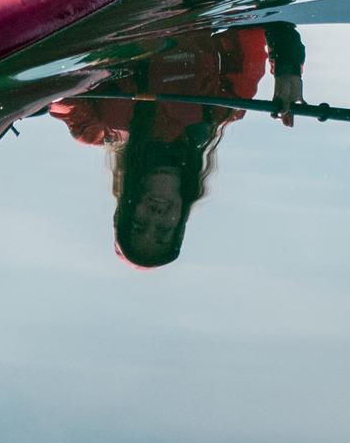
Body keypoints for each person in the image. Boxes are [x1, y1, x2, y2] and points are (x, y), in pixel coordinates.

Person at [56, 16, 309, 269]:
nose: (156, 217)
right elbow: (257, 20)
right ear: (180, 218)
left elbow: (50, 82)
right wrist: (287, 62)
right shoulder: (220, 107)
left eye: (139, 224)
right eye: (164, 229)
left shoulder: (91, 123)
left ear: (124, 210)